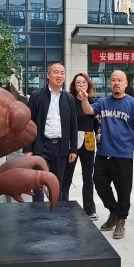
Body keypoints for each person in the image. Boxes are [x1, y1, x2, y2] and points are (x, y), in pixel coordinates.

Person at [77, 70, 134, 240]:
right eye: (113, 80)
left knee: (123, 190)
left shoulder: (133, 104)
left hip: (123, 155)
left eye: (120, 80)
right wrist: (84, 98)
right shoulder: (103, 102)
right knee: (100, 184)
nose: (116, 83)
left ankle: (121, 221)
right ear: (110, 83)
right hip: (103, 153)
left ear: (126, 83)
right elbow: (88, 110)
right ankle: (114, 211)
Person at [24, 62, 78, 201]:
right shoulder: (37, 96)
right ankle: (38, 212)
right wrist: (28, 149)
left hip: (60, 147)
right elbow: (28, 123)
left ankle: (56, 211)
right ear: (48, 75)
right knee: (38, 183)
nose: (59, 75)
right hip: (41, 145)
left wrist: (73, 149)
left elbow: (73, 125)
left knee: (56, 184)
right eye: (56, 72)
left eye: (62, 73)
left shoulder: (69, 99)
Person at [62, 73, 99, 220]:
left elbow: (97, 123)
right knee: (66, 177)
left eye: (84, 82)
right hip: (73, 142)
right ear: (74, 85)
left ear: (88, 84)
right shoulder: (69, 101)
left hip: (89, 141)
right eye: (78, 82)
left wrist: (99, 135)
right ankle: (63, 207)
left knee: (88, 178)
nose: (81, 85)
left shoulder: (93, 102)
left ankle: (90, 209)